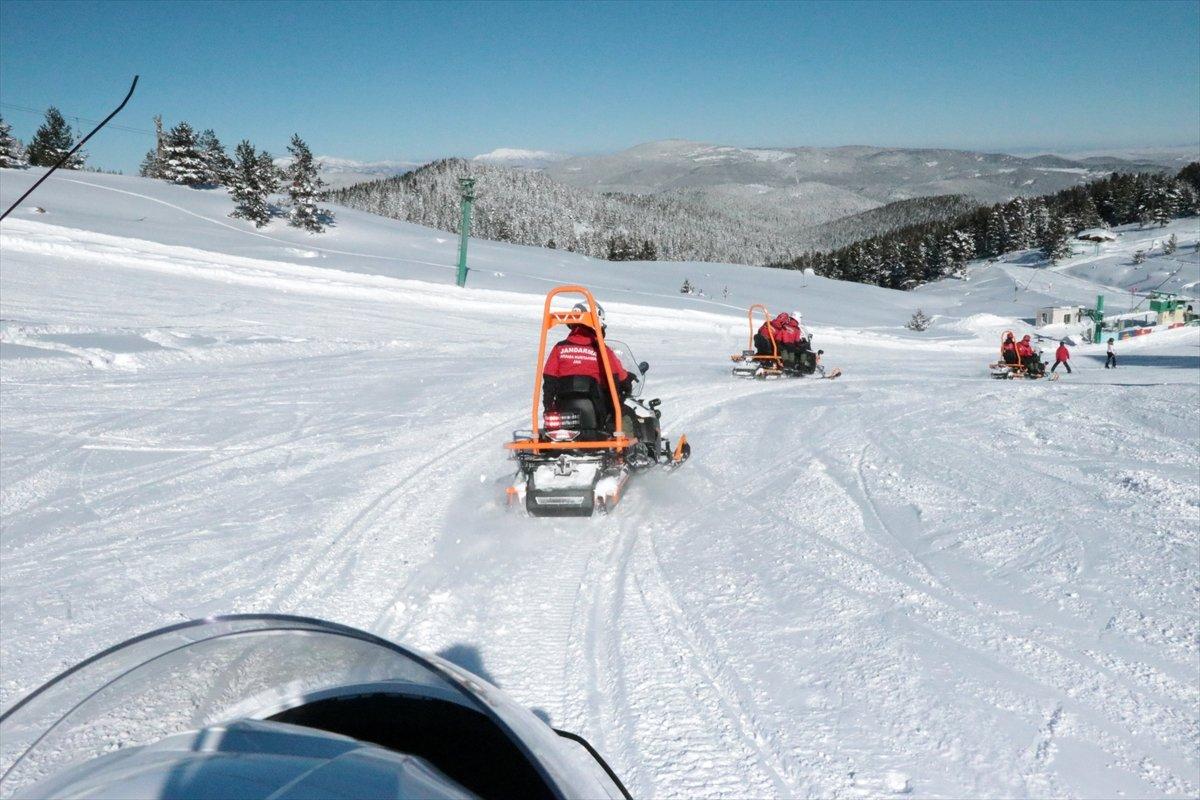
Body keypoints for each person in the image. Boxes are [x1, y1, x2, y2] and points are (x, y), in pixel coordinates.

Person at [542, 302, 633, 432]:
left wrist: (548, 407)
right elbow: (619, 375)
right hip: (596, 411)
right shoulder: (602, 350)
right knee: (624, 414)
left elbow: (549, 379)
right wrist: (627, 382)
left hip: (563, 411)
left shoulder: (559, 348)